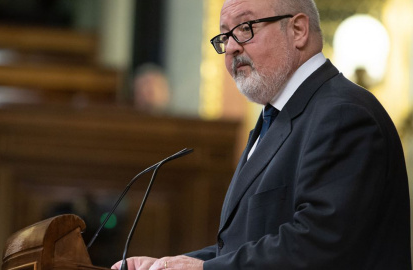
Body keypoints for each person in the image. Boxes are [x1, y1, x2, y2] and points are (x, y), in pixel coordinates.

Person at [112, 0, 411, 268]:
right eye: (225, 35)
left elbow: (318, 245)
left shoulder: (344, 114)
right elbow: (248, 242)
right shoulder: (276, 115)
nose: (230, 47)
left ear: (297, 30)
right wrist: (176, 264)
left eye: (244, 28)